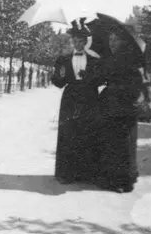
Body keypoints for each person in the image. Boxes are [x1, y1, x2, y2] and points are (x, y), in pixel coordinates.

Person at [51, 19, 102, 185]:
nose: (78, 43)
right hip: (70, 98)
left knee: (87, 132)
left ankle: (86, 174)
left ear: (86, 42)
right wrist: (59, 75)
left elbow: (100, 81)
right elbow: (58, 82)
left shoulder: (94, 60)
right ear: (72, 41)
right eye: (75, 40)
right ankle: (65, 174)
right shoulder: (63, 59)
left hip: (89, 97)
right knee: (68, 133)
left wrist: (89, 77)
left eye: (81, 40)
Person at [96, 27, 144, 193]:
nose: (112, 43)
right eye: (110, 40)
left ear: (123, 41)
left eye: (115, 40)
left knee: (121, 144)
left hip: (123, 104)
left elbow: (137, 82)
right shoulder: (114, 58)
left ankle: (121, 181)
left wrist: (118, 87)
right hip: (116, 104)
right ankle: (120, 179)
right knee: (118, 142)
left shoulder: (126, 59)